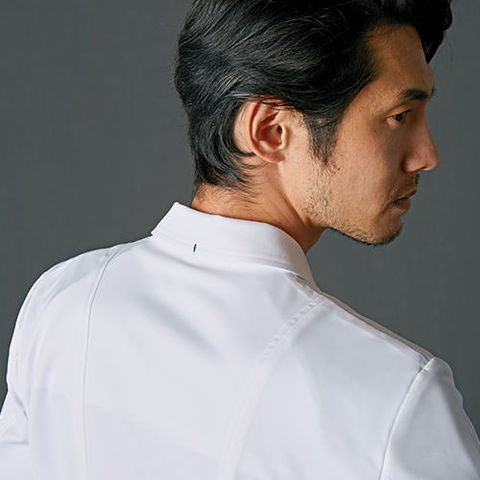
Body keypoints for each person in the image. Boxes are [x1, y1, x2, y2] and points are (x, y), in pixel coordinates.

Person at [1, 0, 479, 478]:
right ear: (270, 131)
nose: (427, 154)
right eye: (400, 115)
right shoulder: (397, 398)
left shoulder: (60, 302)